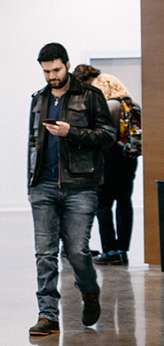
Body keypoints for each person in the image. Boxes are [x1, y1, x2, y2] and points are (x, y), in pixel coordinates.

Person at [26, 43, 116, 337]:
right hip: (43, 186)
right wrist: (31, 181)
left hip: (81, 185)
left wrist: (71, 132)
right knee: (45, 254)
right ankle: (47, 316)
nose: (51, 76)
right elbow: (32, 143)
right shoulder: (38, 99)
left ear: (66, 65)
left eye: (56, 70)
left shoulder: (91, 96)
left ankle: (89, 292)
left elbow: (107, 135)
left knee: (77, 251)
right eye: (46, 71)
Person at [74, 65, 141, 266]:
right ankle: (123, 250)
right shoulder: (133, 104)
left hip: (109, 158)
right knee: (124, 202)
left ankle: (109, 250)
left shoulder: (108, 106)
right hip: (130, 159)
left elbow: (102, 137)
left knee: (102, 204)